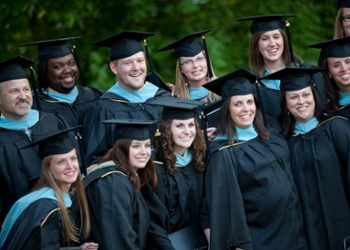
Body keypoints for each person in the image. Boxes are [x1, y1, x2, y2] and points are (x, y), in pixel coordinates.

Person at [263, 67, 350, 249]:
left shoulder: (336, 127)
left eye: (306, 95)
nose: (301, 102)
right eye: (293, 97)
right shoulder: (285, 141)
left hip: (347, 222)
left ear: (314, 96)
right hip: (309, 229)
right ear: (285, 104)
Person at [201, 68, 307, 249]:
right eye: (238, 104)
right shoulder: (224, 153)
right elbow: (226, 208)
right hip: (263, 239)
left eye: (250, 102)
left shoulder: (271, 133)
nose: (246, 109)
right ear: (227, 109)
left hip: (296, 230)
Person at [82, 30, 172, 165]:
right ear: (114, 67)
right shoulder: (103, 109)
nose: (136, 68)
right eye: (128, 63)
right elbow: (94, 160)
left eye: (140, 60)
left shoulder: (165, 97)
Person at [0, 56, 71, 224]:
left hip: (68, 215)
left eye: (26, 89)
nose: (23, 96)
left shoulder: (53, 121)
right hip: (22, 224)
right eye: (14, 91)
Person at [0, 127, 98, 250]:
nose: (70, 166)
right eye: (61, 162)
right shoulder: (49, 209)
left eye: (73, 158)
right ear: (48, 168)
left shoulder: (44, 197)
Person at [82, 119, 159, 249]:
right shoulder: (113, 183)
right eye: (135, 146)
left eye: (147, 145)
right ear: (121, 148)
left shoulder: (123, 176)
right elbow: (117, 240)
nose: (144, 152)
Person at [236, 14, 326, 124]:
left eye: (276, 37)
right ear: (256, 45)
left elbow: (325, 109)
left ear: (284, 40)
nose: (272, 43)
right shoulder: (253, 86)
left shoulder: (310, 72)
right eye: (264, 39)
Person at [144, 97, 207, 249]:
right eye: (179, 126)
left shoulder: (199, 161)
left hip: (200, 242)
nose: (187, 131)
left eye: (191, 125)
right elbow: (152, 222)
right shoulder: (153, 168)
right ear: (166, 130)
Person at [308, 37, 350, 155]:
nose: (344, 69)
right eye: (336, 65)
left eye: (347, 61)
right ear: (328, 72)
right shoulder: (332, 111)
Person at [20, 37, 103, 129]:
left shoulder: (94, 95)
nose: (67, 70)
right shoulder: (33, 105)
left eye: (71, 63)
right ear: (44, 71)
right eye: (58, 66)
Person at [157, 29, 219, 102]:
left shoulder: (223, 91)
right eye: (187, 62)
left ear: (207, 61)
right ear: (181, 69)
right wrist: (166, 92)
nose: (195, 65)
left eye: (199, 59)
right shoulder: (177, 101)